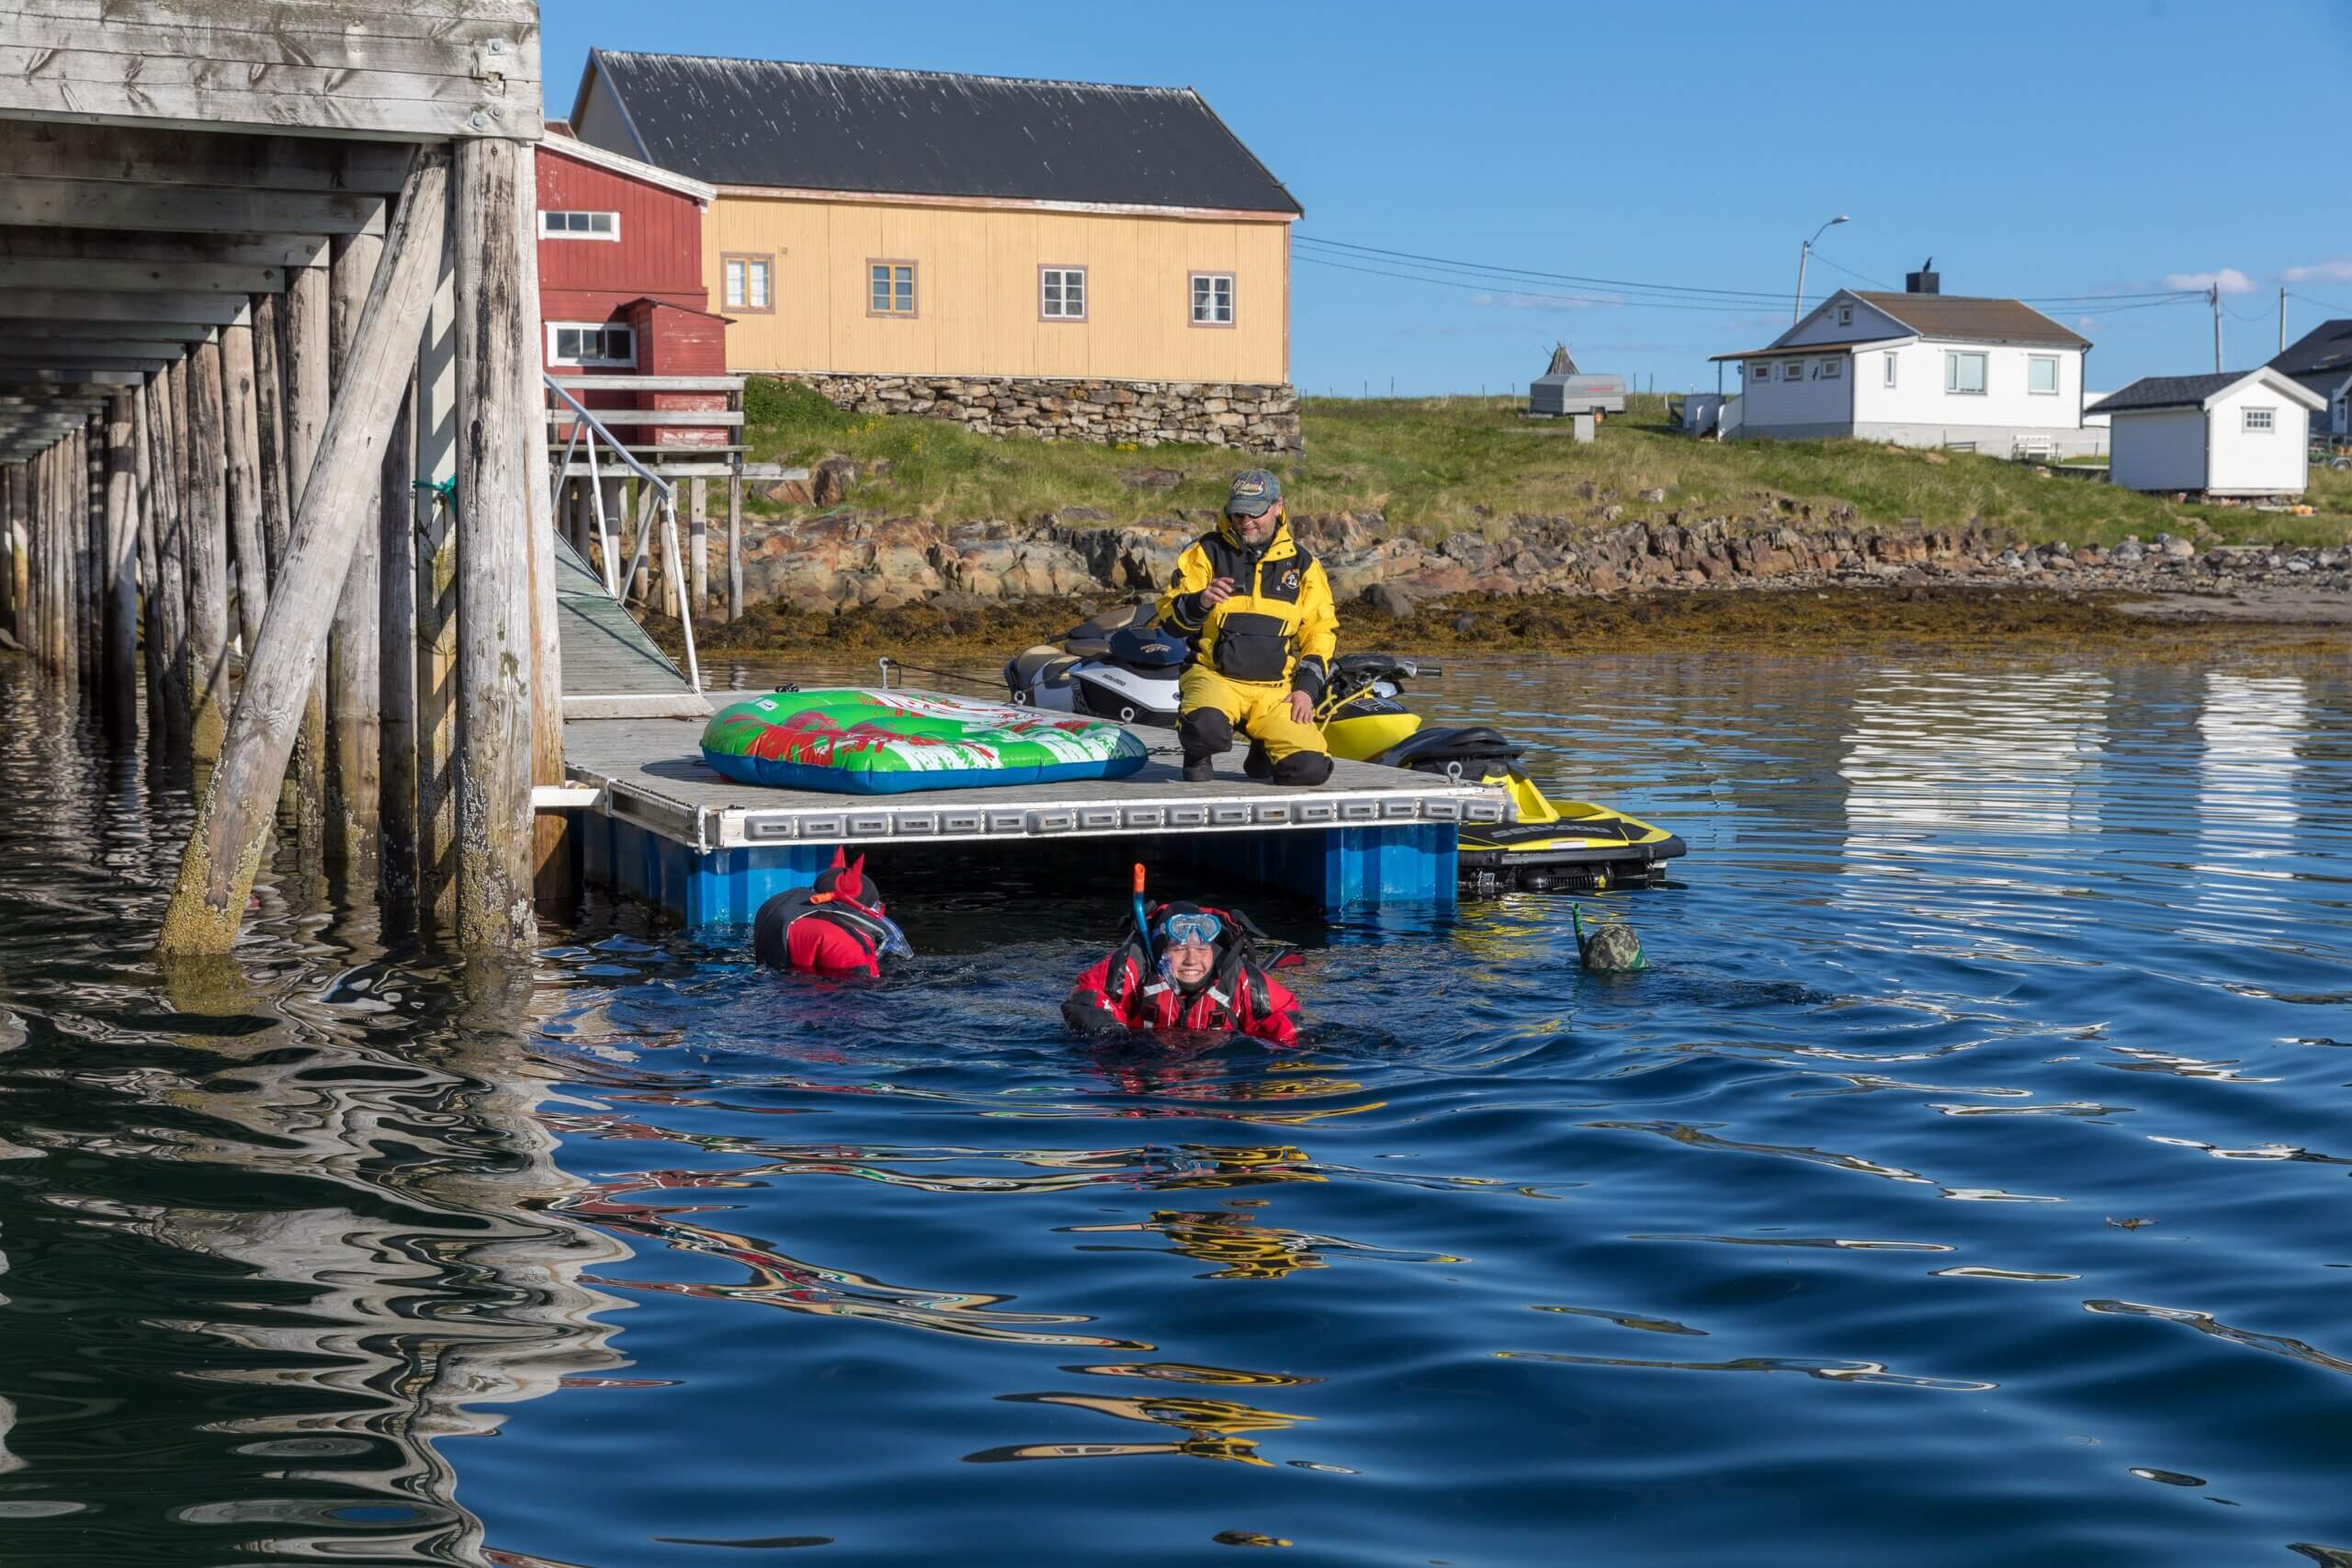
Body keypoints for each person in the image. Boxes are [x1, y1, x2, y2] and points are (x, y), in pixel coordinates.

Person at [1157, 469, 1338, 786]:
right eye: (1237, 513)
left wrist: (1306, 691)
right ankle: (1198, 753)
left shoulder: (1304, 564)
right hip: (1214, 677)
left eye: (1254, 513)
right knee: (1206, 731)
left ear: (1279, 506)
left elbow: (1320, 633)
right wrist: (1200, 601)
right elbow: (1170, 623)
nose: (1245, 522)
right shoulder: (1206, 551)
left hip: (1274, 693)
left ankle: (1262, 749)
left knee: (1310, 771)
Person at [1063, 899, 1302, 1046]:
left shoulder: (1235, 975)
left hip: (1212, 1088)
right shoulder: (1134, 963)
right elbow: (1087, 999)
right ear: (1161, 951)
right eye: (1179, 948)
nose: (1192, 959)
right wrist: (1113, 1036)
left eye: (1201, 948)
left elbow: (1283, 1013)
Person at [752, 849, 913, 977]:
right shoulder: (850, 944)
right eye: (875, 907)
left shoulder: (778, 904)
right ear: (858, 907)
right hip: (817, 1007)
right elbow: (863, 994)